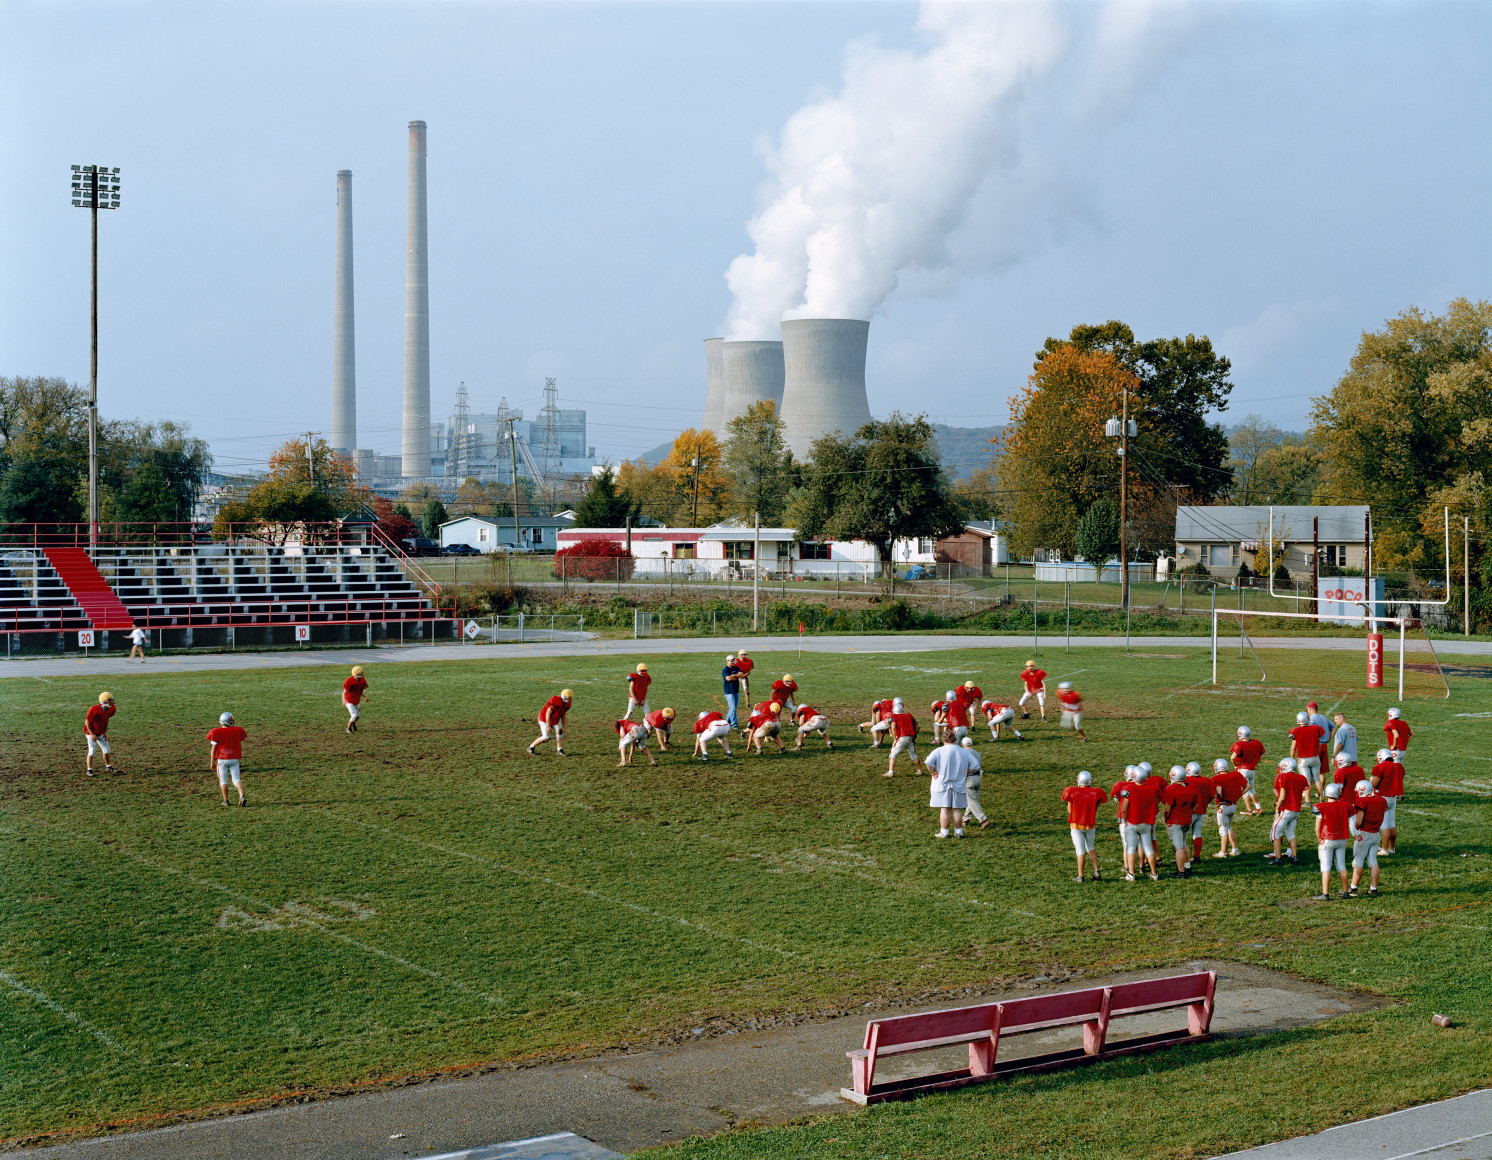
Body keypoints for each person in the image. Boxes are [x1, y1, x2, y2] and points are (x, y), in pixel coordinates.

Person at [1115, 766, 1162, 881]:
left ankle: (1131, 874)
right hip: (1146, 822)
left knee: (1131, 848)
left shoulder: (1129, 788)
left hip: (1132, 822)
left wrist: (1126, 821)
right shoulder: (1153, 788)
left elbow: (1124, 809)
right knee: (1147, 848)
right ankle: (1154, 873)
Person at [1061, 771, 1109, 881]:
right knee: (1091, 848)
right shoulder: (1096, 792)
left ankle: (1080, 876)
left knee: (1080, 851)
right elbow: (1096, 807)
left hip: (1076, 826)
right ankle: (1096, 871)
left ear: (1078, 780)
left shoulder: (1072, 791)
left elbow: (1069, 808)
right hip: (1090, 825)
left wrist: (1075, 816)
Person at [923, 733, 970, 838]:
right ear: (955, 739)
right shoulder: (964, 752)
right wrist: (964, 773)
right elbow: (975, 765)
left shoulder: (938, 751)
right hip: (958, 783)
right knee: (957, 808)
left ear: (943, 739)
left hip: (942, 783)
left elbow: (928, 763)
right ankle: (959, 832)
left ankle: (944, 832)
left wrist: (933, 772)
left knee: (944, 808)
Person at [1311, 783, 1352, 900]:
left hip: (1327, 839)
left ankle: (1325, 894)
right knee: (1342, 866)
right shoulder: (1345, 806)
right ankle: (1345, 892)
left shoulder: (1321, 806)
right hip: (1341, 839)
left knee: (1326, 867)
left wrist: (1320, 840)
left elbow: (1317, 828)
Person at [1266, 757, 1310, 865]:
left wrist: (1277, 809)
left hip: (1286, 809)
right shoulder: (1301, 778)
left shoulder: (1282, 776)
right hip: (1296, 810)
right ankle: (1294, 857)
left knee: (1275, 833)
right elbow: (1301, 789)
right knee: (1291, 834)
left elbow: (1282, 797)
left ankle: (1278, 858)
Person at [1348, 778, 1388, 897]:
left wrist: (1356, 825)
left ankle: (1353, 889)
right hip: (1375, 834)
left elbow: (1359, 821)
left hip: (1364, 833)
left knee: (1358, 861)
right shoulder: (1381, 800)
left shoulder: (1362, 801)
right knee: (1373, 861)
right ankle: (1373, 888)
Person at [207, 711, 248, 807]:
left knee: (223, 780)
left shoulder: (216, 732)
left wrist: (212, 762)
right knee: (236, 779)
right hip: (234, 759)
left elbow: (213, 749)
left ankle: (226, 800)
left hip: (222, 759)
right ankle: (241, 795)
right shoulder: (238, 730)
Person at [1161, 767, 1197, 876]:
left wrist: (1165, 818)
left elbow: (1167, 809)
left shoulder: (1172, 788)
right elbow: (1196, 806)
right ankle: (1187, 867)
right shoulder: (1192, 787)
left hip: (1175, 821)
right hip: (1187, 819)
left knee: (1179, 848)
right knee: (1183, 844)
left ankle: (1181, 872)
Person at [1370, 747, 1406, 856]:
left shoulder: (1380, 767)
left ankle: (1384, 850)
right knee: (1392, 824)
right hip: (1393, 798)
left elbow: (1373, 784)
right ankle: (1392, 848)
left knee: (1384, 826)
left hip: (1382, 798)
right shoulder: (1398, 766)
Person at [1210, 757, 1247, 858]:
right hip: (1233, 805)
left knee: (1223, 830)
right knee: (1229, 827)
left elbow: (1219, 791)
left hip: (1224, 806)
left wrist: (1219, 797)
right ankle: (1235, 849)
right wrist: (1238, 795)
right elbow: (1248, 786)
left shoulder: (1215, 779)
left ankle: (1223, 852)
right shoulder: (1236, 774)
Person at [1288, 711, 1326, 801]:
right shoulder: (1316, 728)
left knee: (1307, 781)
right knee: (1317, 779)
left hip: (1303, 760)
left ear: (1298, 721)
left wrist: (1292, 758)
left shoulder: (1295, 731)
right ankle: (1321, 799)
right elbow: (1319, 743)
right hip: (1315, 757)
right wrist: (1317, 753)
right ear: (1308, 719)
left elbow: (1293, 747)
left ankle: (1307, 802)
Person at [1182, 761, 1213, 866]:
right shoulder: (1207, 780)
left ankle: (1184, 858)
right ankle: (1196, 857)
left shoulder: (1186, 780)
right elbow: (1212, 796)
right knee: (1197, 834)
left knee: (1183, 836)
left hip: (1190, 811)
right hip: (1202, 811)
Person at [1230, 726, 1266, 815]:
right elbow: (1263, 753)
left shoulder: (1239, 744)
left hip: (1242, 769)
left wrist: (1234, 764)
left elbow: (1233, 757)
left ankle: (1249, 810)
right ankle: (1258, 808)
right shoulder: (1257, 743)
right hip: (1252, 770)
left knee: (1244, 789)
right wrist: (1256, 761)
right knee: (1252, 789)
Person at [959, 736, 991, 829]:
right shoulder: (977, 753)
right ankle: (965, 819)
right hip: (978, 778)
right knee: (973, 800)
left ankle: (983, 819)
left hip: (969, 779)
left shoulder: (963, 754)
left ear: (962, 745)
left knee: (970, 801)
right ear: (972, 744)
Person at [528, 689, 573, 756]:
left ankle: (559, 750)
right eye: (569, 698)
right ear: (564, 698)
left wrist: (564, 727)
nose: (570, 700)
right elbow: (548, 714)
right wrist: (548, 726)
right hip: (544, 718)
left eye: (571, 698)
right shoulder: (555, 701)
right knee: (546, 737)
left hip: (555, 719)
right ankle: (531, 747)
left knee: (560, 732)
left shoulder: (567, 705)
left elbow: (563, 715)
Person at [84, 691, 118, 776]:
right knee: (92, 751)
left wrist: (105, 732)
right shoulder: (94, 709)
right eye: (110, 700)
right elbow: (87, 722)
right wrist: (92, 734)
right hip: (91, 732)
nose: (112, 702)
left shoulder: (111, 709)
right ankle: (89, 769)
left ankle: (108, 766)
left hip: (100, 732)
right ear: (104, 701)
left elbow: (106, 720)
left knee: (106, 750)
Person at [885, 698, 921, 778]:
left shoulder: (894, 716)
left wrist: (895, 739)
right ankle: (919, 770)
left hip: (902, 737)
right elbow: (917, 726)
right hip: (911, 737)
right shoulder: (909, 715)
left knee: (893, 755)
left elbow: (893, 727)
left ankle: (890, 772)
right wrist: (915, 735)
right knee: (913, 755)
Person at [343, 666, 369, 733]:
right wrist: (343, 700)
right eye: (360, 672)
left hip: (356, 700)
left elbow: (360, 690)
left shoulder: (362, 680)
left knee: (357, 716)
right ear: (356, 673)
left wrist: (364, 697)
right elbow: (344, 692)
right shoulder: (349, 681)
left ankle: (353, 723)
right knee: (354, 715)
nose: (362, 673)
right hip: (349, 700)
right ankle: (348, 728)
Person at [721, 655, 742, 727]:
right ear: (727, 661)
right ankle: (734, 724)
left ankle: (726, 722)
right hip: (729, 692)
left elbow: (741, 674)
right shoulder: (725, 670)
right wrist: (736, 676)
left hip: (736, 691)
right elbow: (728, 678)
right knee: (732, 708)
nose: (733, 662)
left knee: (733, 708)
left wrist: (733, 675)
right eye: (731, 660)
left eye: (733, 660)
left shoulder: (736, 668)